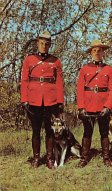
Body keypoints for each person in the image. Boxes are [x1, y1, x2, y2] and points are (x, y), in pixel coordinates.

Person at [20, 31, 64, 169]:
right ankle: (36, 158)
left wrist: (60, 101)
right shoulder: (29, 59)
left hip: (51, 101)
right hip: (34, 100)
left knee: (50, 130)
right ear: (37, 43)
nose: (44, 46)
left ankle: (50, 158)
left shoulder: (55, 61)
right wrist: (24, 99)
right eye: (42, 43)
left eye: (47, 44)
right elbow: (25, 80)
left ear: (50, 45)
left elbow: (59, 82)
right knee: (36, 130)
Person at [76, 40, 112, 167]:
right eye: (94, 51)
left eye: (99, 50)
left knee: (104, 132)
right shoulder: (85, 69)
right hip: (88, 105)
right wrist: (81, 107)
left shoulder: (108, 69)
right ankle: (84, 157)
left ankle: (106, 157)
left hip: (103, 105)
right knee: (87, 132)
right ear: (91, 53)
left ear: (103, 52)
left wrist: (108, 106)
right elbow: (80, 89)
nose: (97, 53)